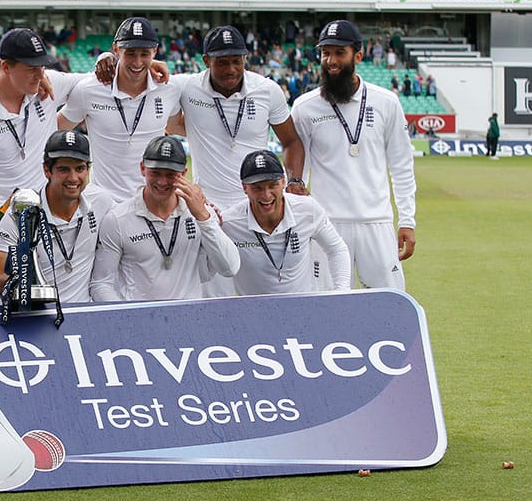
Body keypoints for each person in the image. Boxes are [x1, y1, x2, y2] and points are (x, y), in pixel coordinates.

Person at [165, 25, 306, 297]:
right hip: (210, 210)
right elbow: (146, 74)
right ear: (206, 61)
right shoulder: (187, 87)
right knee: (214, 296)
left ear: (245, 59)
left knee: (261, 291)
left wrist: (296, 180)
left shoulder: (267, 90)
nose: (230, 69)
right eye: (221, 62)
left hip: (257, 206)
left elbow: (291, 141)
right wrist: (106, 60)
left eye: (236, 61)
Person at [291, 20, 416, 291]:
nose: (331, 61)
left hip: (377, 223)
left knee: (388, 306)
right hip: (327, 225)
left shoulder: (386, 102)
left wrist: (407, 219)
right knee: (327, 309)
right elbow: (298, 172)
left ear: (358, 56)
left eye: (339, 53)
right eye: (325, 53)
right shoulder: (304, 107)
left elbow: (402, 165)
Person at [0, 28, 86, 301]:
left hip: (46, 222)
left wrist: (107, 57)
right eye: (31, 68)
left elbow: (101, 80)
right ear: (5, 66)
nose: (40, 75)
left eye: (42, 67)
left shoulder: (48, 86)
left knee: (47, 305)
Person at [90, 135, 240, 301]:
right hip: (140, 321)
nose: (162, 182)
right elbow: (101, 283)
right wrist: (127, 318)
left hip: (189, 320)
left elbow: (229, 268)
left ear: (183, 173)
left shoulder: (200, 214)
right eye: (155, 173)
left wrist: (204, 218)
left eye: (170, 175)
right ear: (142, 168)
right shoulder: (117, 219)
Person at [58, 17, 182, 202]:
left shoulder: (169, 89)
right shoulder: (89, 89)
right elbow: (54, 127)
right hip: (103, 205)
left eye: (145, 54)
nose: (138, 62)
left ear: (155, 51)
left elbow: (178, 126)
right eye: (130, 53)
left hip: (150, 202)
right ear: (116, 49)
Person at [0, 130, 112, 303]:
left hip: (83, 317)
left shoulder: (101, 202)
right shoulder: (19, 214)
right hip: (34, 320)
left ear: (88, 169)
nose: (73, 178)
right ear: (46, 170)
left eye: (80, 168)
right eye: (63, 169)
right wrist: (21, 275)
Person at [221, 150, 350, 295]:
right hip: (253, 313)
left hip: (304, 309)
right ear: (244, 188)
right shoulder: (229, 223)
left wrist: (342, 291)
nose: (266, 195)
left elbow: (336, 249)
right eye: (257, 187)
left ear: (283, 181)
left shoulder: (308, 210)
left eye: (272, 185)